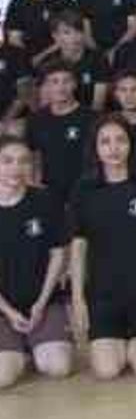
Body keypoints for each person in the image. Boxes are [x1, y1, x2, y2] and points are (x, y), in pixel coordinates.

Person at [70, 115, 136, 379]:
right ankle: (123, 340)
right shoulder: (84, 188)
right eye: (105, 142)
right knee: (107, 371)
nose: (113, 148)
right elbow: (78, 246)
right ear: (96, 148)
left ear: (131, 144)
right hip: (104, 293)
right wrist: (77, 298)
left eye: (120, 140)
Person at [0, 136, 73, 388]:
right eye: (7, 161)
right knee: (3, 376)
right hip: (3, 306)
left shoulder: (45, 200)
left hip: (43, 302)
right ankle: (18, 348)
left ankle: (34, 344)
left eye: (23, 161)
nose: (16, 168)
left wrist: (41, 303)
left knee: (58, 368)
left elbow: (58, 254)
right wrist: (9, 312)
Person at [26, 60, 96, 206]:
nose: (61, 87)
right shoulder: (36, 119)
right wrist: (35, 185)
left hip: (85, 193)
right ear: (46, 86)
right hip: (49, 194)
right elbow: (34, 155)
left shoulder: (92, 118)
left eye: (66, 81)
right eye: (54, 81)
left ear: (75, 84)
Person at [48, 10, 108, 111]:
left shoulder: (98, 58)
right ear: (55, 36)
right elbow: (46, 100)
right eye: (67, 32)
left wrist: (87, 118)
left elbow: (99, 100)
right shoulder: (49, 61)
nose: (74, 37)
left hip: (89, 115)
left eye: (78, 31)